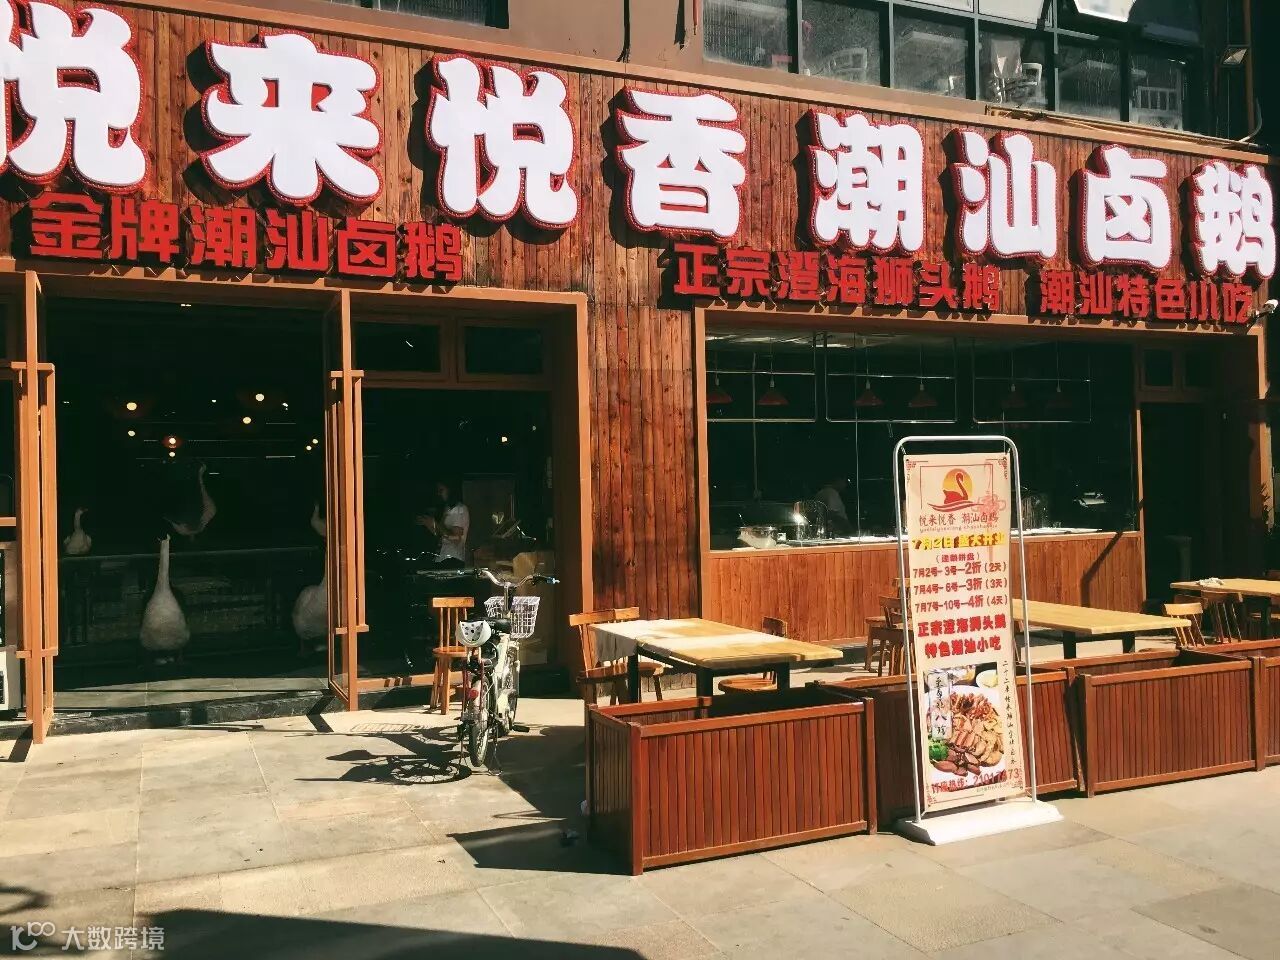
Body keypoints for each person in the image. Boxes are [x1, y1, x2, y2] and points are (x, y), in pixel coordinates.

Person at [418, 480, 470, 564]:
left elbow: (456, 538)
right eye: (438, 491)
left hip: (452, 559)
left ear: (450, 490)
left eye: (441, 490)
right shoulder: (447, 509)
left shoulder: (459, 509)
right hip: (442, 558)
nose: (439, 494)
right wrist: (428, 523)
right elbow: (441, 535)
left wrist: (434, 523)